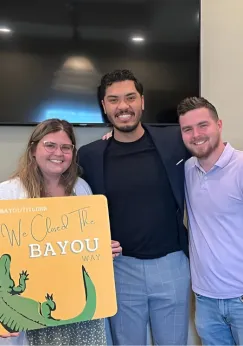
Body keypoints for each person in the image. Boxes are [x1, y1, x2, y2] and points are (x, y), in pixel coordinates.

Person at [77, 69, 191, 345]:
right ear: (104, 107)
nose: (123, 106)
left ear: (142, 101)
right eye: (113, 100)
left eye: (130, 97)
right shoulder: (89, 156)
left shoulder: (176, 141)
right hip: (119, 269)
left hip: (172, 265)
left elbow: (211, 152)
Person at [0, 118, 121, 345]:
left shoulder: (81, 189)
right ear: (33, 150)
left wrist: (103, 249)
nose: (59, 153)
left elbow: (85, 246)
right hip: (33, 312)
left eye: (66, 147)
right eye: (50, 145)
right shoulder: (7, 195)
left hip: (76, 306)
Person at [178, 97, 243, 345]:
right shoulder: (186, 170)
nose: (196, 134)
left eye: (203, 125)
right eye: (187, 129)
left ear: (219, 124)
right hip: (205, 301)